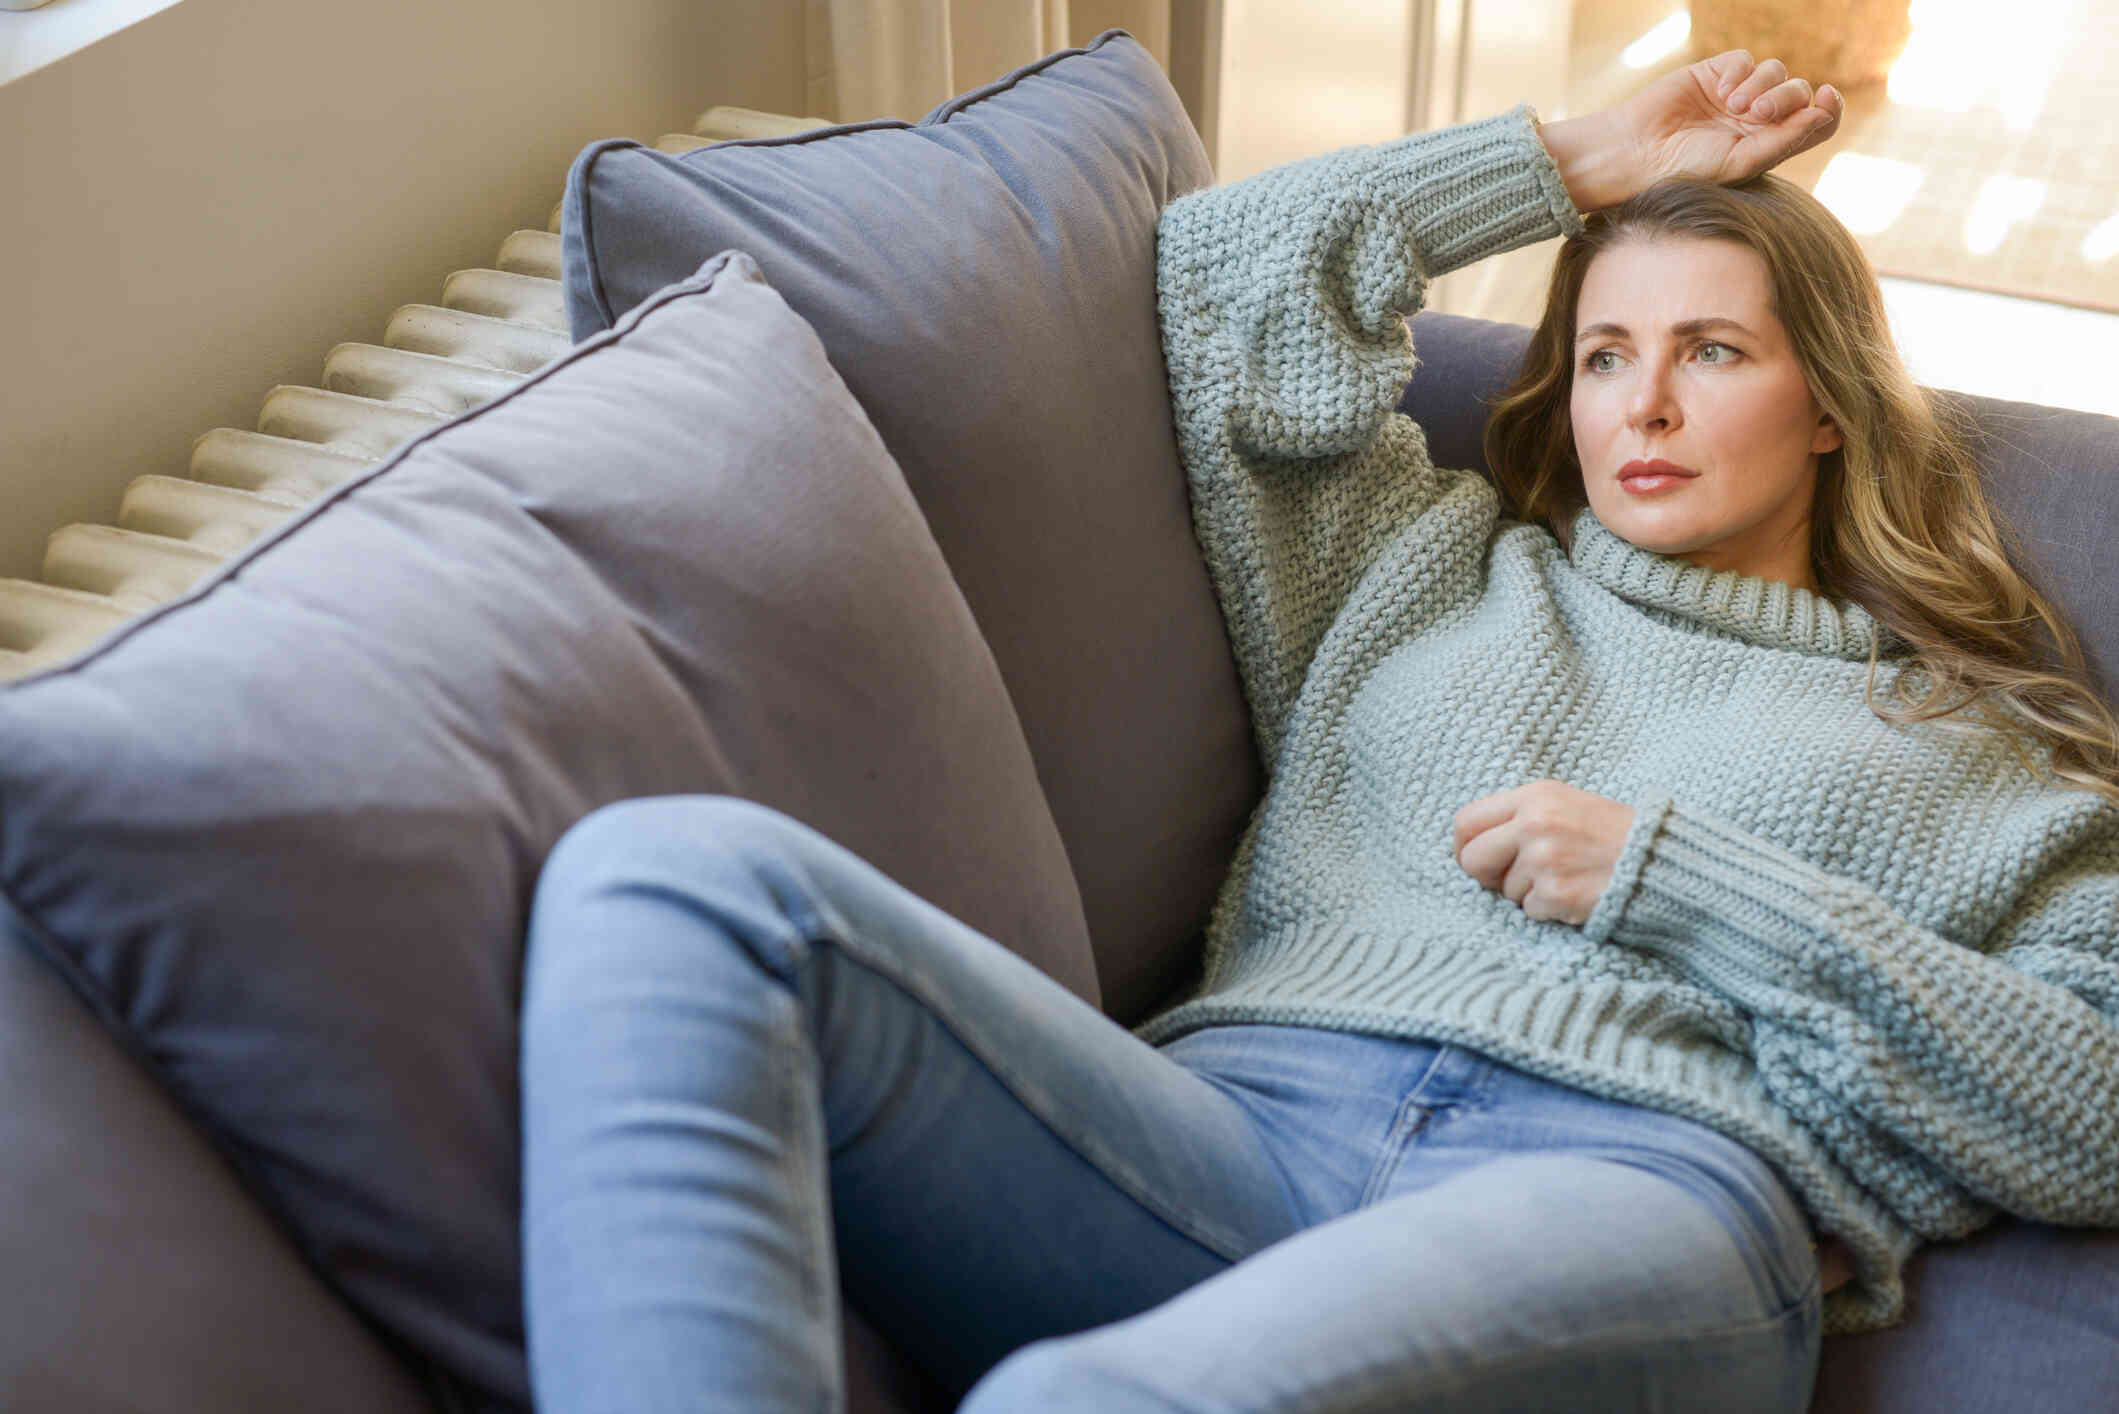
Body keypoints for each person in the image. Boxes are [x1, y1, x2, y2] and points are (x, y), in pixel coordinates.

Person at [516, 49, 2119, 1414]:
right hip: (1227, 1126)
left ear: (1827, 400)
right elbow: (1229, 276)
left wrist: (1680, 879)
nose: (1642, 407)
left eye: (1713, 352)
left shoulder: (1965, 738)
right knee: (668, 884)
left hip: (1622, 1190)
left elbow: (2096, 1100)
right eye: (1606, 355)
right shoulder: (1425, 568)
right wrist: (1578, 157)